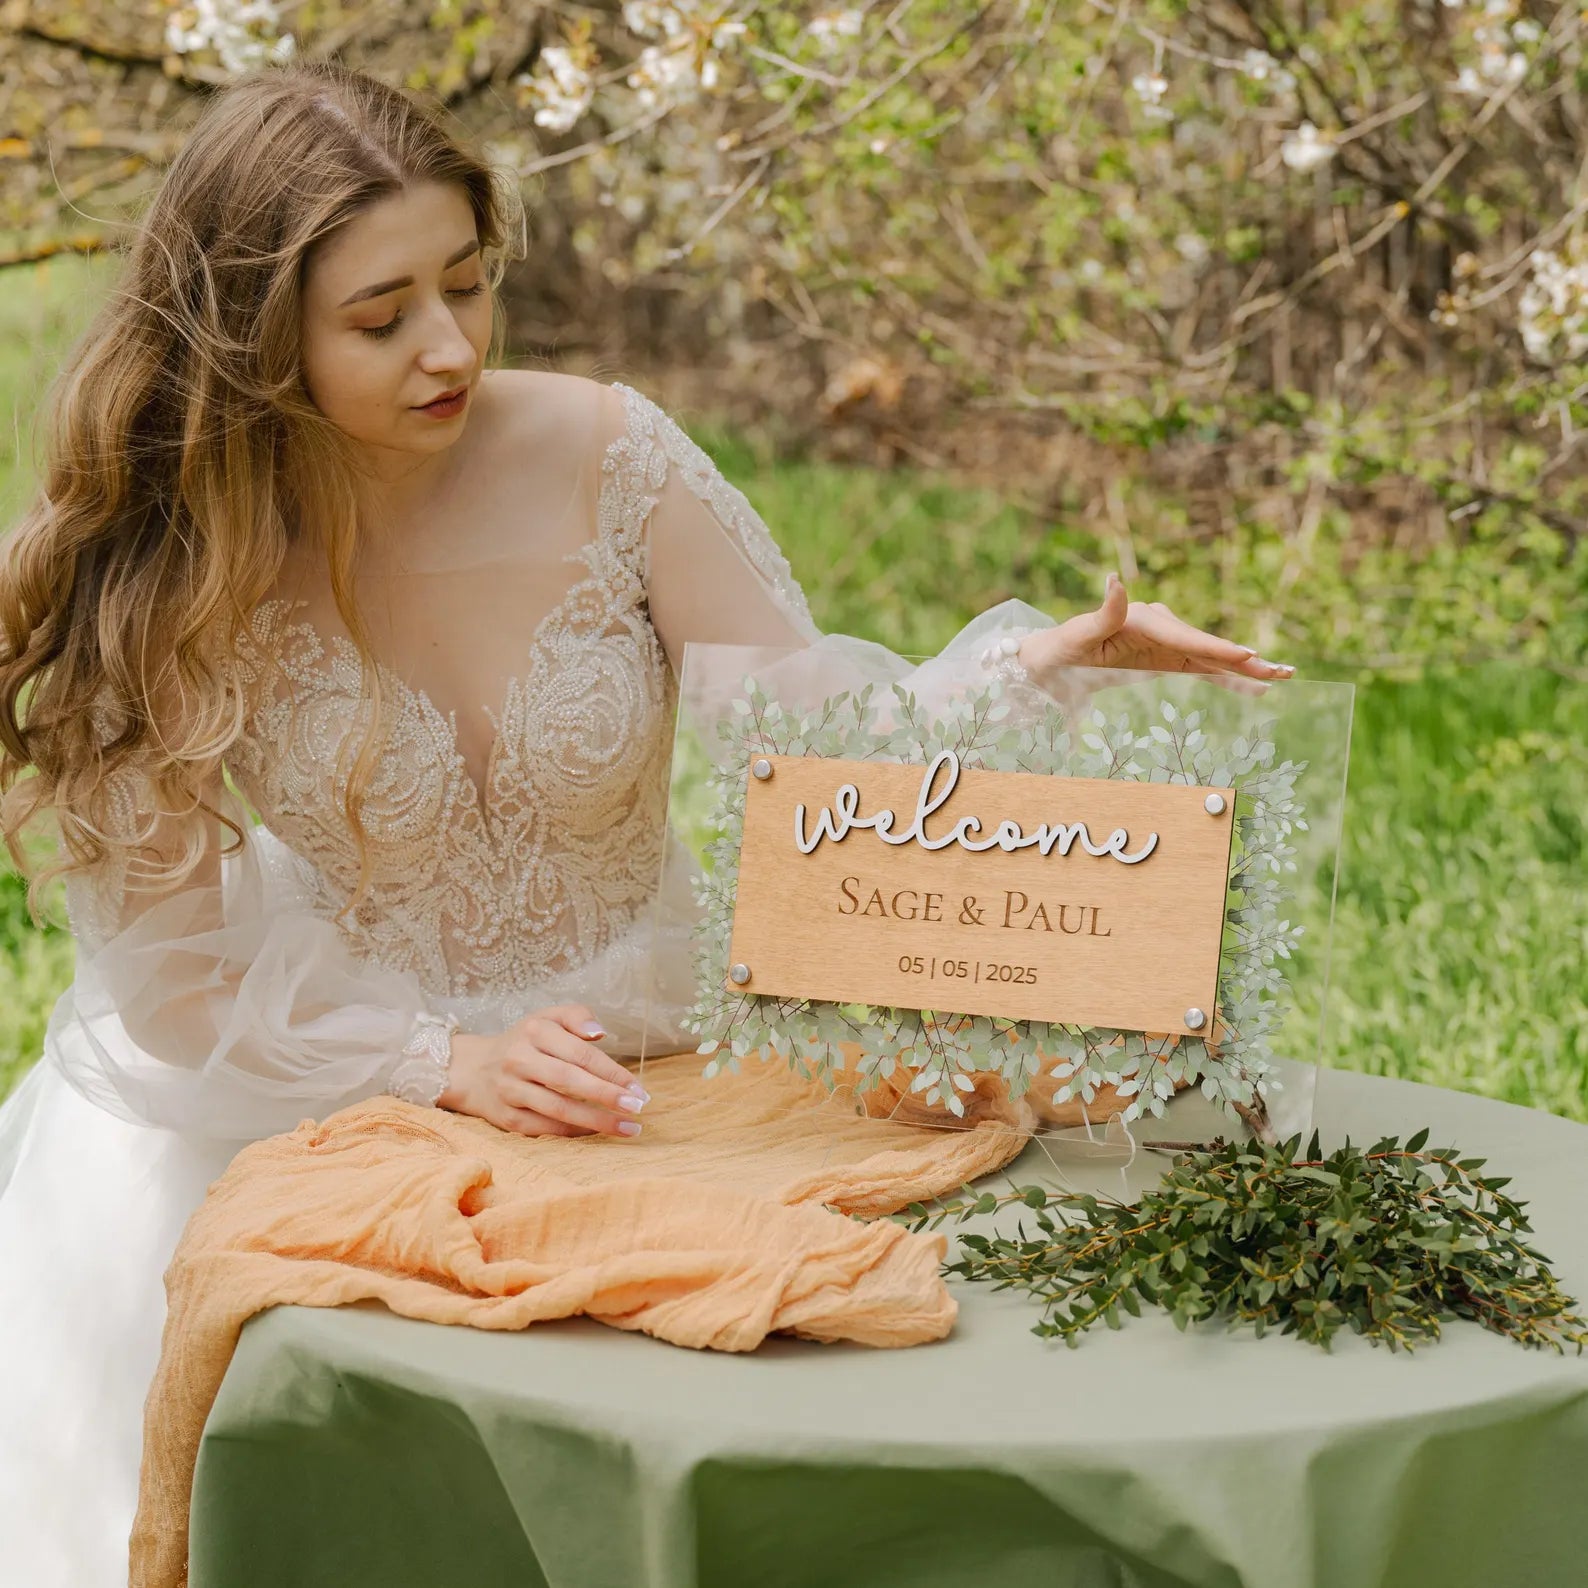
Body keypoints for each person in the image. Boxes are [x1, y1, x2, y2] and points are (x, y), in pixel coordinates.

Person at [0, 60, 1292, 1587]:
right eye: (380, 315)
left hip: (653, 1027)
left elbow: (804, 741)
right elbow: (176, 977)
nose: (447, 347)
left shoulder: (607, 456)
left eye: (468, 287)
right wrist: (444, 1063)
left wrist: (1026, 672)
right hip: (325, 1060)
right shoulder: (169, 557)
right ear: (251, 334)